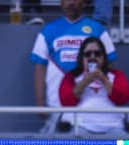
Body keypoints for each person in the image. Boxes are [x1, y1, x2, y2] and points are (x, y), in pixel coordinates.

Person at [31, 0, 116, 133]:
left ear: (84, 2)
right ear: (61, 2)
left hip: (89, 109)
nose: (71, 3)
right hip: (57, 106)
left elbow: (109, 65)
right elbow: (40, 67)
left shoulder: (97, 29)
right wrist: (40, 101)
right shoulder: (48, 30)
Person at [58, 37, 129, 136]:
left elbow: (123, 98)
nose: (92, 57)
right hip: (79, 126)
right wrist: (86, 81)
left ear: (103, 57)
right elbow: (66, 101)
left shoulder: (116, 75)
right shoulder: (71, 76)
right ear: (82, 57)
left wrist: (103, 79)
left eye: (97, 53)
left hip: (113, 127)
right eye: (87, 54)